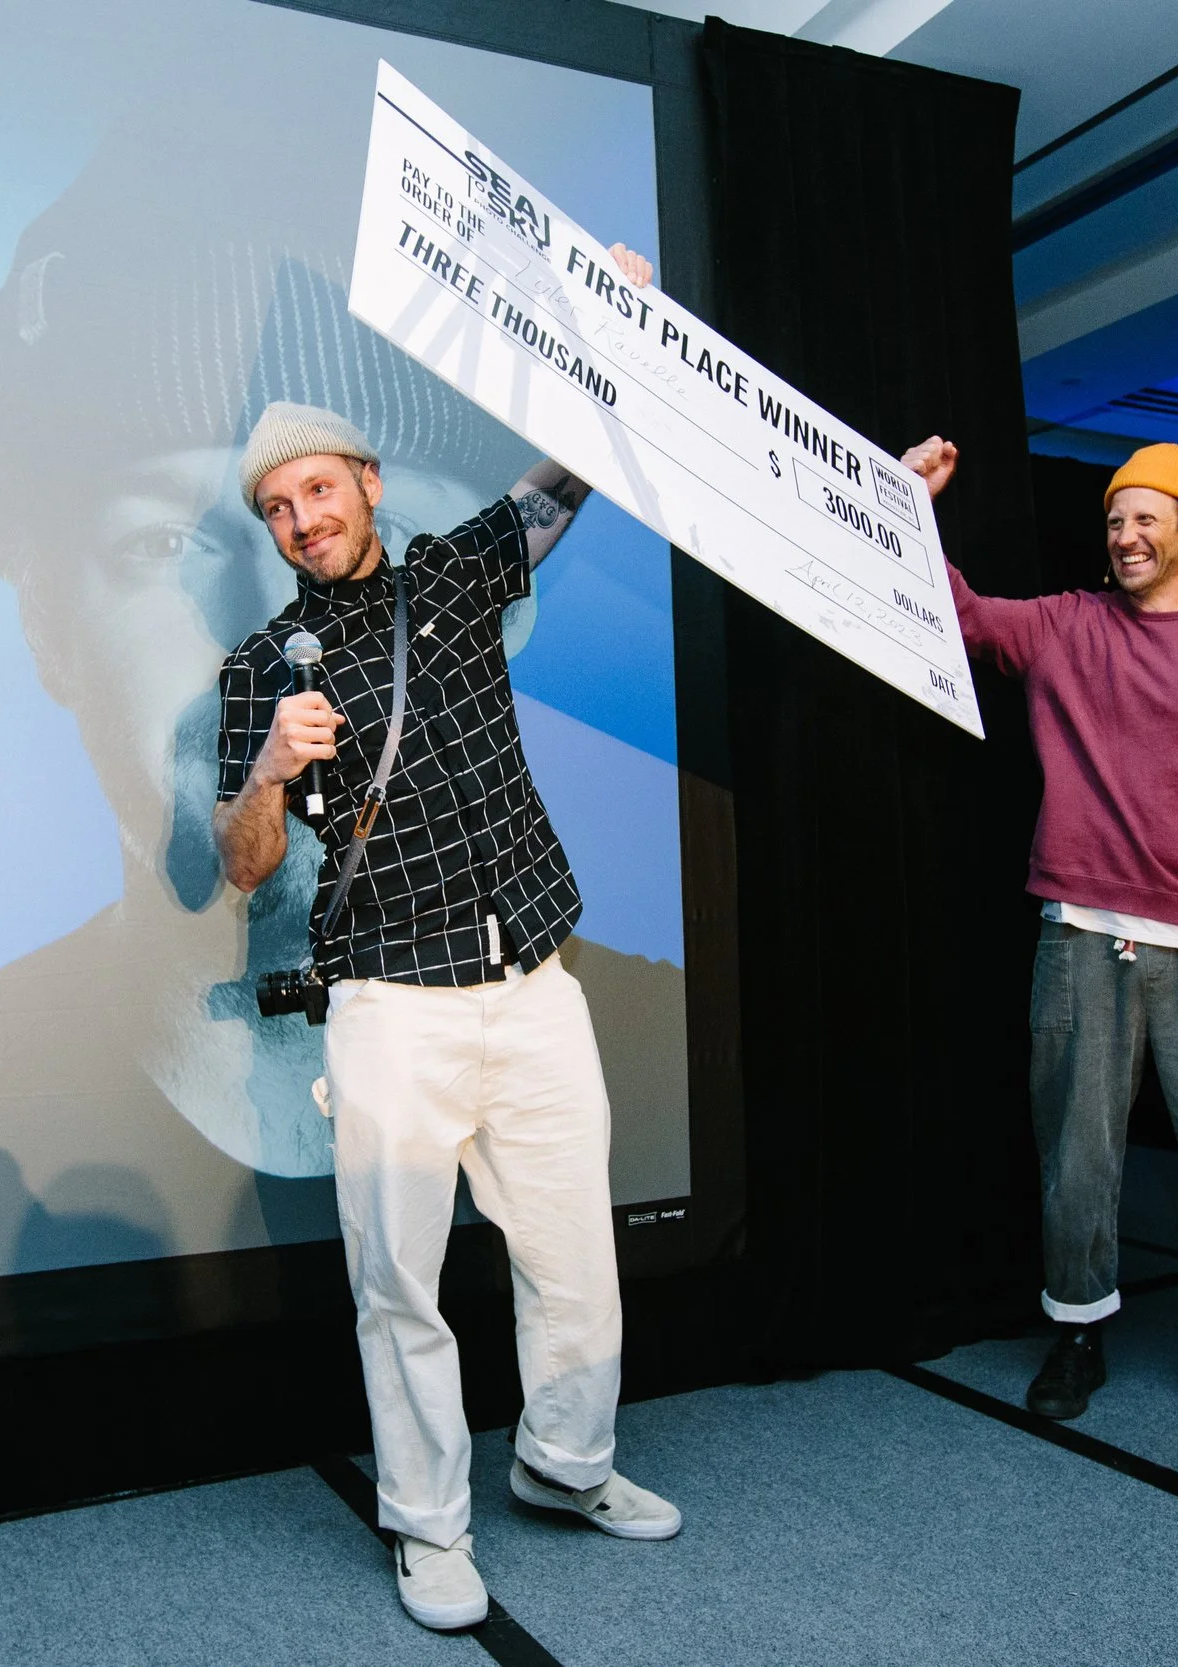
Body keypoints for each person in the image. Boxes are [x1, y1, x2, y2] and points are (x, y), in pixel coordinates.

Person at [212, 246, 682, 1632]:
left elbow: (573, 470)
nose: (302, 517)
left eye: (318, 488)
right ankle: (426, 1523)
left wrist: (616, 315)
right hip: (391, 1009)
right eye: (278, 508)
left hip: (533, 980)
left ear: (363, 481)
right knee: (397, 1283)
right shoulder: (259, 668)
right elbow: (241, 869)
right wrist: (264, 775)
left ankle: (566, 1463)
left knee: (573, 1256)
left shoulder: (453, 579)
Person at [903, 436, 1178, 1446]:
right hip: (1083, 932)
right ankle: (1076, 1329)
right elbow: (962, 618)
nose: (1125, 534)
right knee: (1075, 1152)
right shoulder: (1067, 625)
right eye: (1114, 519)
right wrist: (910, 507)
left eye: (1148, 517)